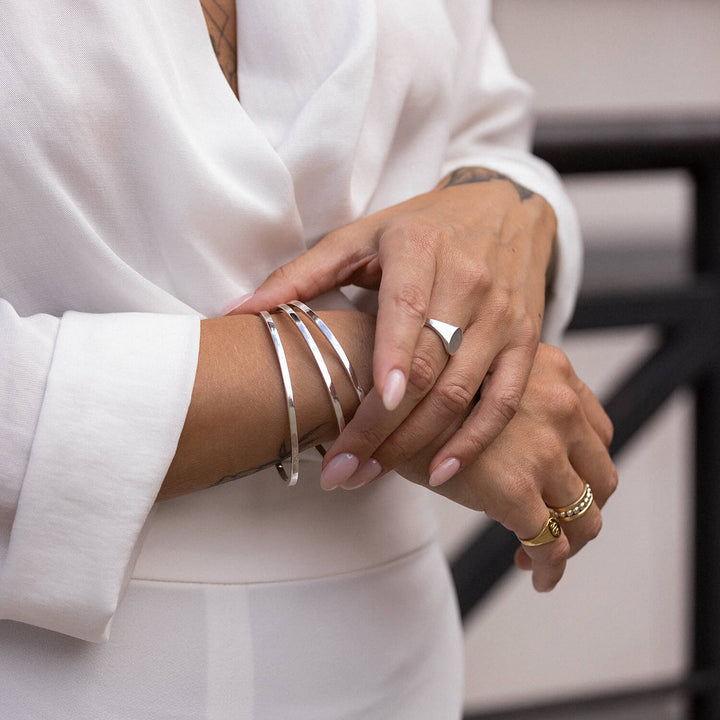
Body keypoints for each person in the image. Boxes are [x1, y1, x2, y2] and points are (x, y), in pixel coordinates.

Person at [0, 1, 616, 718]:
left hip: (387, 642)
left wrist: (504, 208)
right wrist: (369, 366)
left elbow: (483, 124)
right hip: (41, 660)